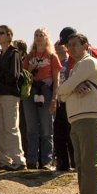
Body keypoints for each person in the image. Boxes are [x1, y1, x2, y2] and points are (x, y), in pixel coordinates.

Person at [58, 33, 97, 194]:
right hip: (76, 118)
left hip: (89, 117)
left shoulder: (88, 62)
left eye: (75, 44)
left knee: (89, 162)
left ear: (85, 45)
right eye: (69, 45)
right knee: (80, 163)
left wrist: (68, 88)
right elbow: (61, 94)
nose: (71, 48)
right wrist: (71, 87)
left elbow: (62, 89)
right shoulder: (76, 67)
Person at [22, 28, 61, 170]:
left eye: (41, 35)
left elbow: (57, 79)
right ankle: (31, 160)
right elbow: (22, 76)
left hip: (46, 91)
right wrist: (30, 69)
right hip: (31, 91)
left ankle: (46, 161)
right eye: (36, 35)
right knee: (31, 128)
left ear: (47, 38)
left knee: (46, 128)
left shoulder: (52, 56)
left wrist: (54, 98)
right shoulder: (29, 56)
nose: (38, 38)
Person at [0, 25, 26, 171]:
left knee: (11, 127)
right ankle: (4, 159)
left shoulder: (14, 53)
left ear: (9, 35)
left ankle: (18, 159)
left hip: (10, 94)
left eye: (1, 33)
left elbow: (13, 75)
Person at [53, 40, 75, 171]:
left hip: (71, 101)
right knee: (58, 133)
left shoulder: (71, 62)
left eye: (60, 44)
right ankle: (62, 163)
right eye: (55, 45)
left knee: (71, 133)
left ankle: (75, 163)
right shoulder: (55, 62)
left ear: (66, 47)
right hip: (58, 101)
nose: (57, 46)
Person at [13, 39, 29, 158]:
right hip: (15, 98)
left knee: (25, 127)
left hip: (25, 99)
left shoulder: (26, 62)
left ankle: (27, 155)